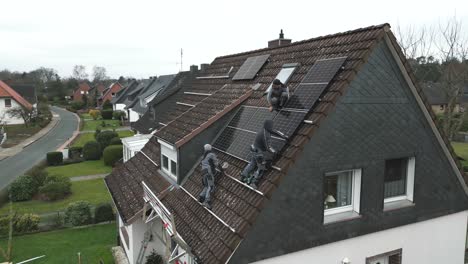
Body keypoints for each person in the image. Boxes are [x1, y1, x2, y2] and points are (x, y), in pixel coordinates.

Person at [241, 120, 288, 189]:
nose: (272, 127)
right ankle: (254, 182)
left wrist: (284, 136)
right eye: (271, 126)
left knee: (252, 163)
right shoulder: (265, 134)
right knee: (262, 166)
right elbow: (268, 147)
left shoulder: (265, 129)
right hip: (257, 152)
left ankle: (243, 175)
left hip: (254, 149)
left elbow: (275, 132)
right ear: (268, 126)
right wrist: (274, 152)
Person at [198, 144, 220, 209]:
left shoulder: (203, 156)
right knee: (211, 186)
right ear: (210, 149)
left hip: (203, 173)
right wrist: (222, 169)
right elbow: (216, 163)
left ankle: (201, 197)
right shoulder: (211, 154)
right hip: (208, 173)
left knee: (206, 186)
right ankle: (207, 201)